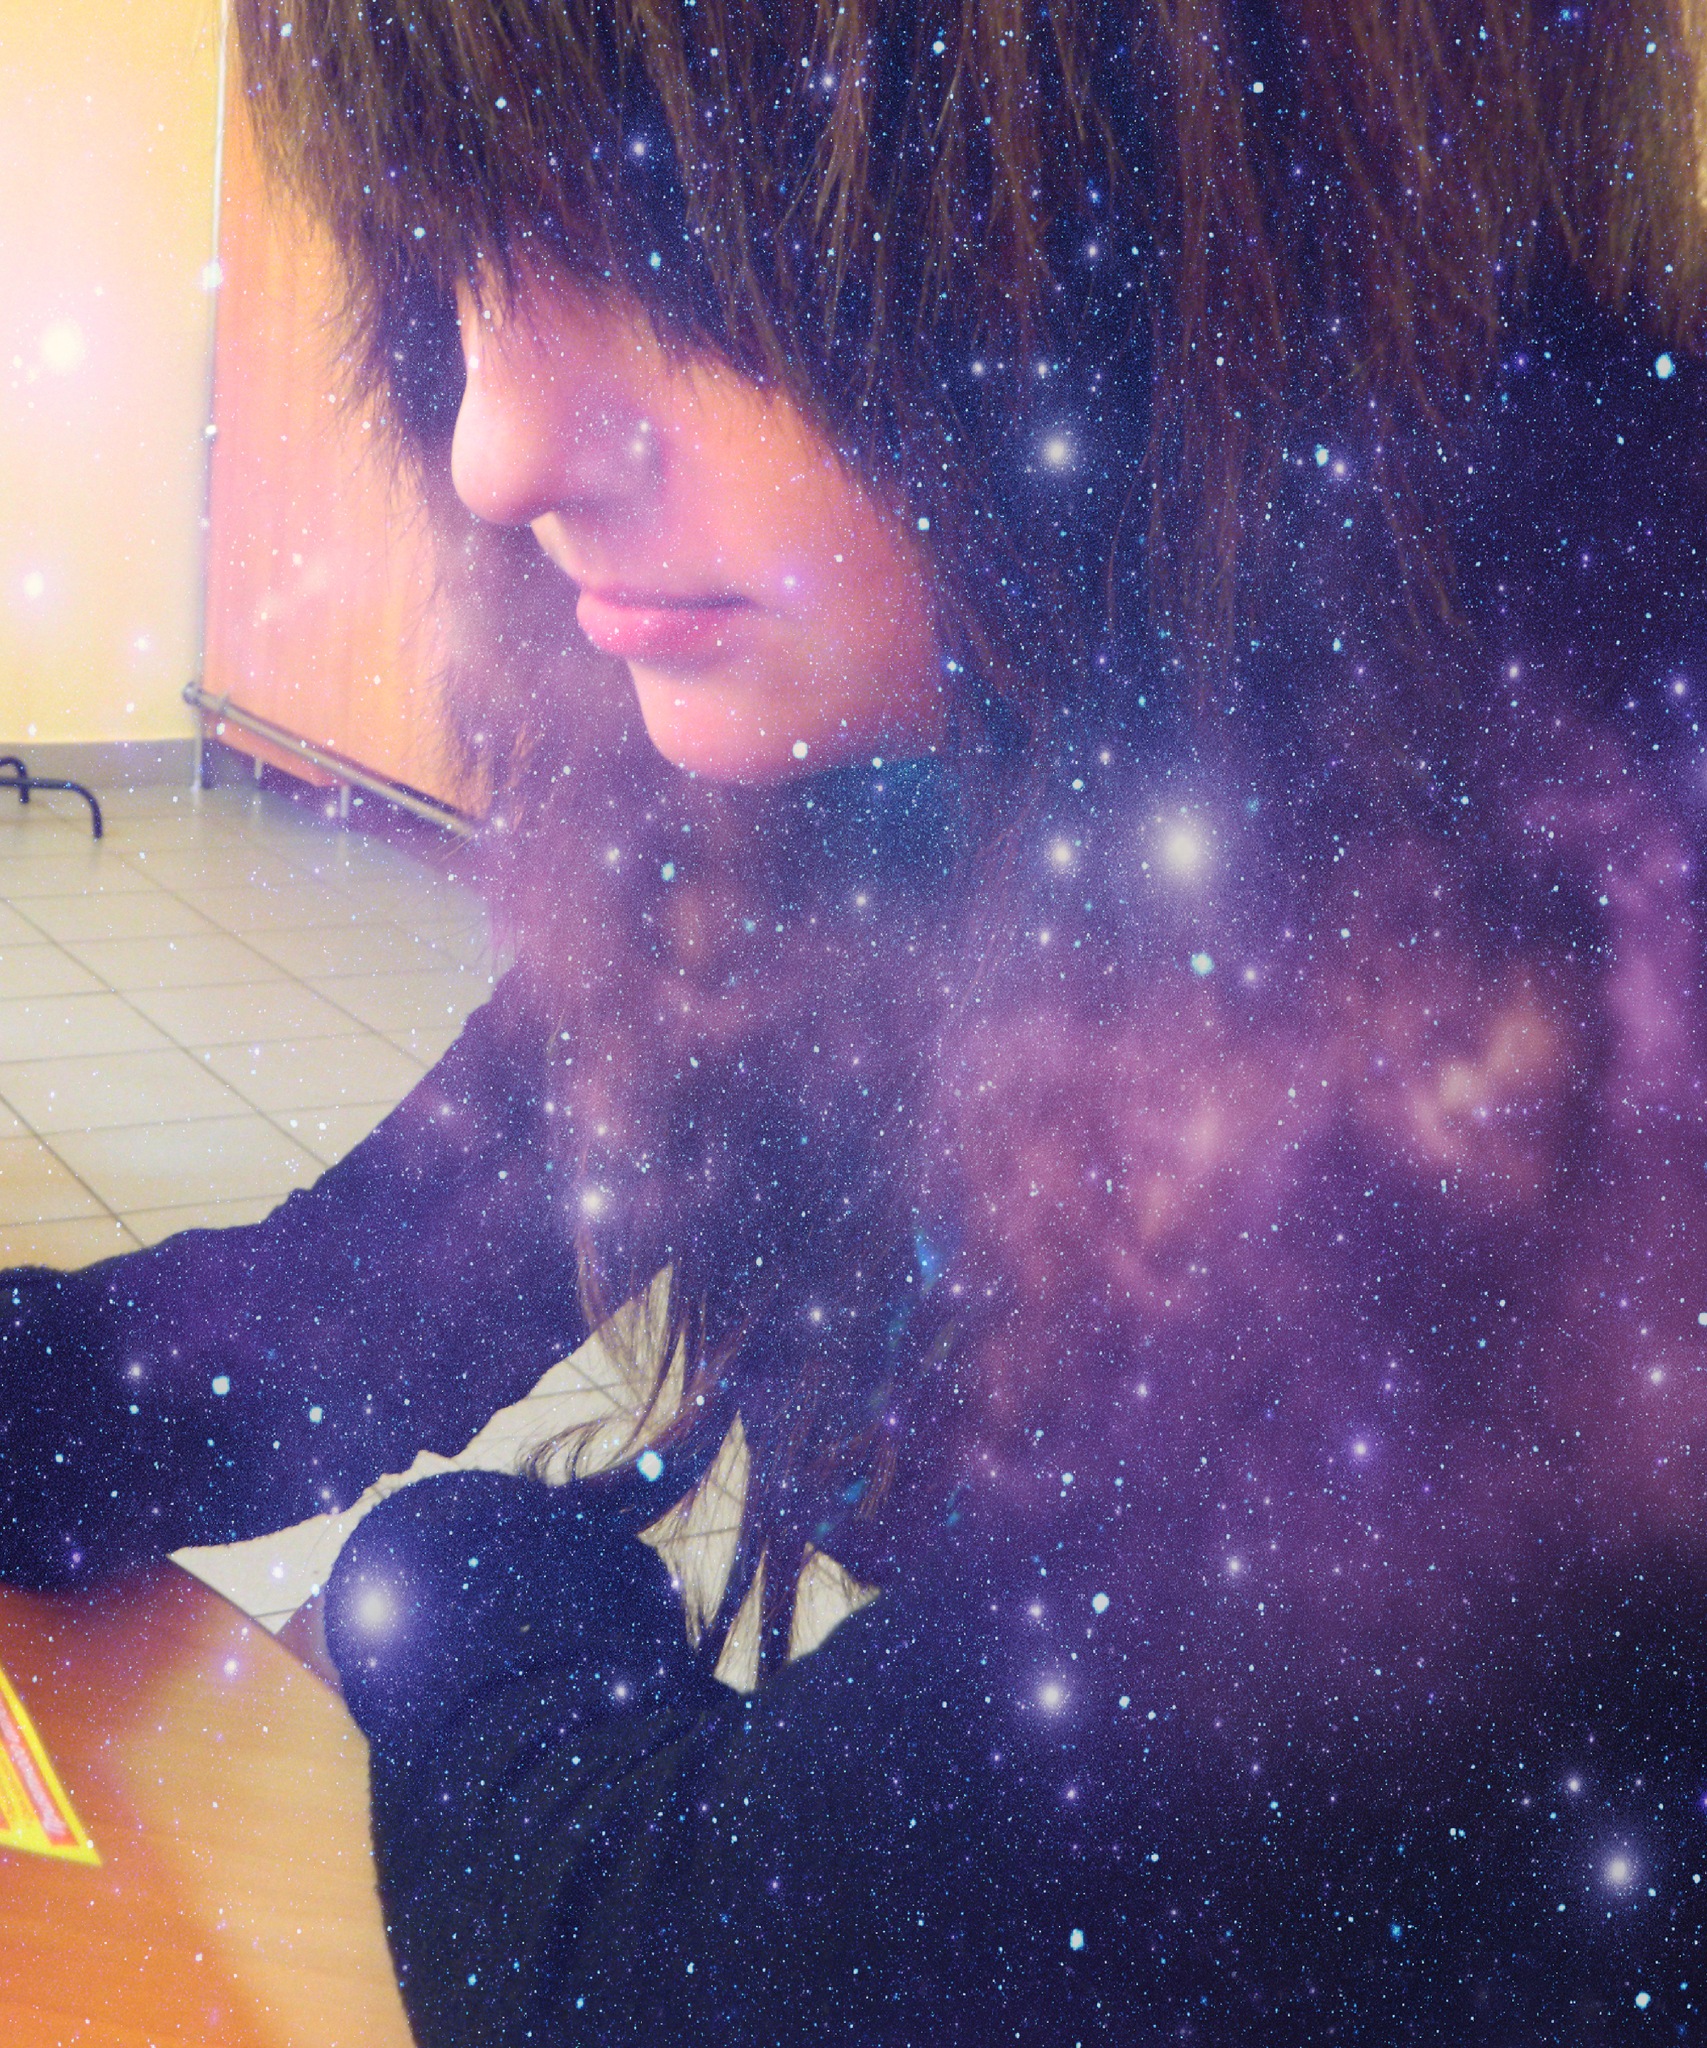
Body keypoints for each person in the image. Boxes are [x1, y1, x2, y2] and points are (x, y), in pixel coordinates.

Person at [6, 0, 1707, 2037]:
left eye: (666, 236)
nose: (495, 446)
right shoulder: (901, 772)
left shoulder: (1579, 1024)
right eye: (456, 248)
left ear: (1238, 191)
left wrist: (445, 1574)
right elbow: (325, 1309)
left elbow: (666, 1980)